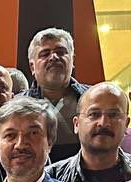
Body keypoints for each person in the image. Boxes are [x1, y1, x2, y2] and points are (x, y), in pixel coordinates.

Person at [48, 82, 131, 182]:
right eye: (94, 114)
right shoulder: (51, 179)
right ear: (76, 124)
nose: (104, 123)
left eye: (113, 115)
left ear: (126, 124)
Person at [20, 28, 91, 163]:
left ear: (72, 60)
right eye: (45, 54)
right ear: (32, 67)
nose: (54, 57)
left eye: (61, 52)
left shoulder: (94, 99)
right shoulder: (16, 106)